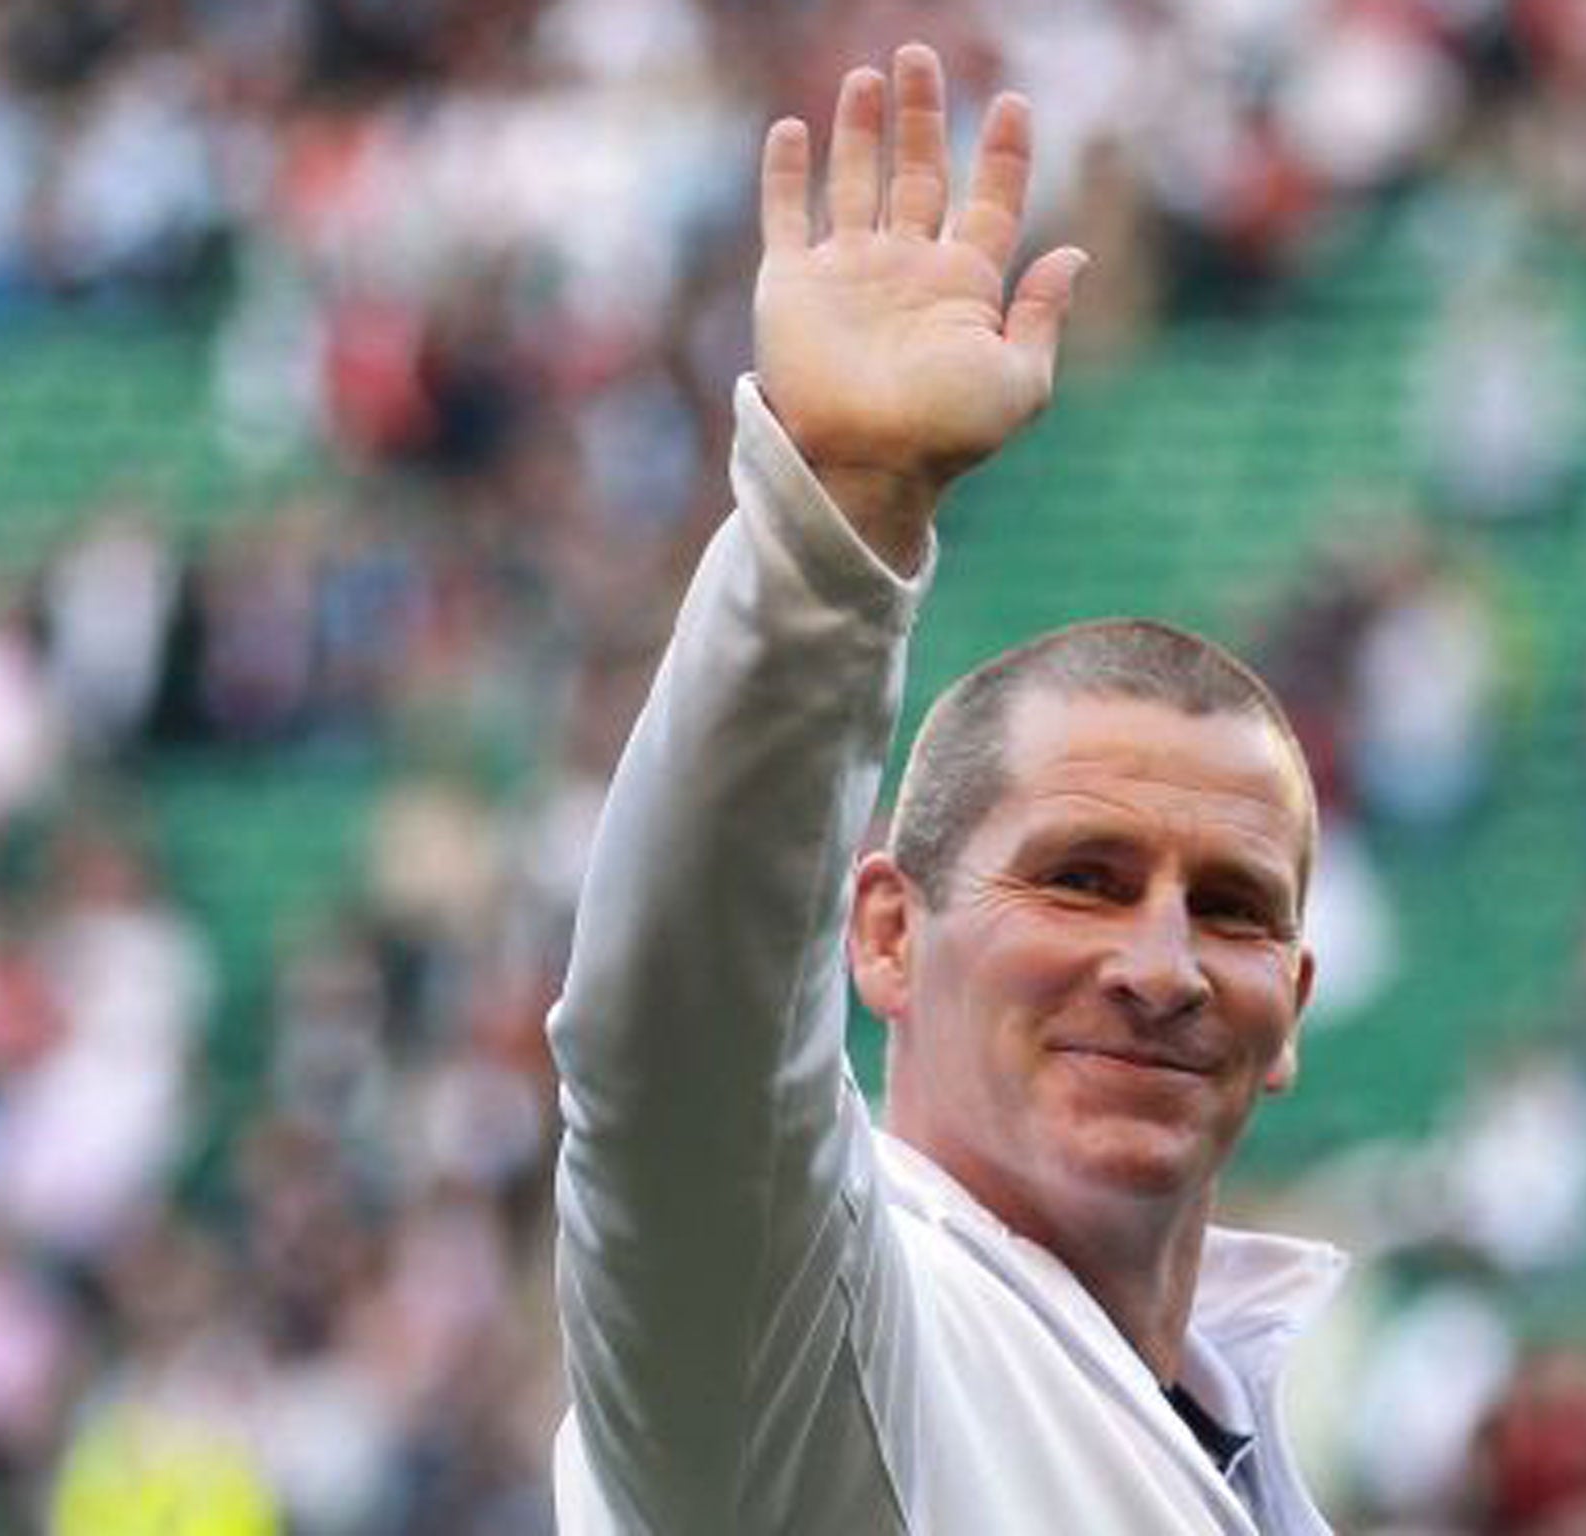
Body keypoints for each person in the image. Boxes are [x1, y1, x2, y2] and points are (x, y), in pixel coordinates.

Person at [548, 43, 1341, 1535]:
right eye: (1082, 878)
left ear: (1293, 1001)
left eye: (1228, 911)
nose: (1160, 968)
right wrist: (834, 525)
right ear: (889, 935)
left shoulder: (1246, 1439)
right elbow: (674, 1049)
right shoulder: (809, 1347)